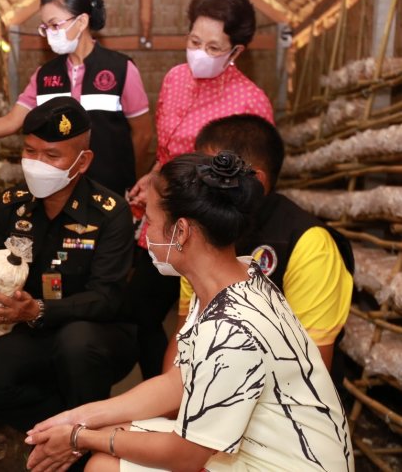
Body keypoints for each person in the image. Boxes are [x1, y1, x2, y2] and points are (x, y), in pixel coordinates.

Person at [24, 151, 354, 472]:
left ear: (180, 232)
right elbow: (179, 382)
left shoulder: (231, 328)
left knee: (104, 465)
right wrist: (79, 419)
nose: (146, 234)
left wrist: (82, 438)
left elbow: (186, 456)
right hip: (272, 447)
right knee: (117, 440)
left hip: (290, 463)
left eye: (150, 221)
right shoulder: (235, 276)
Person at [0, 97, 137, 433]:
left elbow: (106, 298)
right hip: (38, 333)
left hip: (101, 336)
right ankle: (64, 425)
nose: (37, 163)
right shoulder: (10, 206)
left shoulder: (110, 213)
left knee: (77, 343)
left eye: (52, 155)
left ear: (82, 162)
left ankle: (81, 448)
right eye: (30, 151)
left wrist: (37, 309)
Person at [126, 0, 274, 379]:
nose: (198, 53)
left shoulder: (251, 103)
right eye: (194, 41)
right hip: (161, 222)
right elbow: (167, 150)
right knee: (140, 310)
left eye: (213, 47)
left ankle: (194, 397)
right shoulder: (175, 78)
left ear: (236, 51)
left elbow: (252, 184)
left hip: (207, 232)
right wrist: (152, 178)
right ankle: (158, 392)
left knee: (198, 321)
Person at [162, 114, 354, 373]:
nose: (198, 186)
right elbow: (184, 336)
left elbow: (311, 371)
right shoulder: (199, 232)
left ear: (257, 180)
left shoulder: (309, 243)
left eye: (214, 175)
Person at [0, 0, 153, 196]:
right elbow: (12, 121)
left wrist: (127, 177)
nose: (49, 33)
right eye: (45, 27)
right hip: (58, 191)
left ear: (82, 21)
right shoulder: (45, 75)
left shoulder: (120, 68)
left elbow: (143, 134)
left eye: (55, 25)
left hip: (107, 188)